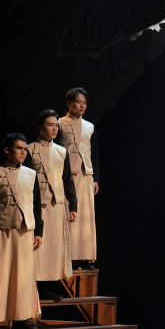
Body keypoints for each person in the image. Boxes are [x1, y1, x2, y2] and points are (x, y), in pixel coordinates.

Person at [0, 133, 44, 329]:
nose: (23, 152)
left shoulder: (31, 174)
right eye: (19, 148)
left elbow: (36, 204)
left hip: (25, 230)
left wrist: (39, 231)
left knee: (22, 275)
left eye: (25, 149)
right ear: (7, 150)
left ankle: (21, 318)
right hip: (2, 229)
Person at [27, 110, 77, 301]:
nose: (55, 128)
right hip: (37, 204)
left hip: (57, 204)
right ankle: (32, 286)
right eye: (50, 125)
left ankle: (46, 287)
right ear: (40, 127)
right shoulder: (29, 149)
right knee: (37, 246)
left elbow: (67, 179)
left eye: (56, 125)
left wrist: (73, 204)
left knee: (52, 247)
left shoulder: (61, 151)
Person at [56, 87, 98, 269]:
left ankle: (86, 256)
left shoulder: (90, 126)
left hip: (85, 175)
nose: (82, 106)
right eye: (78, 102)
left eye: (84, 103)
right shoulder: (59, 123)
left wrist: (96, 178)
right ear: (69, 103)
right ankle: (69, 256)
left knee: (86, 216)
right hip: (67, 176)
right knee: (70, 214)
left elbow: (94, 153)